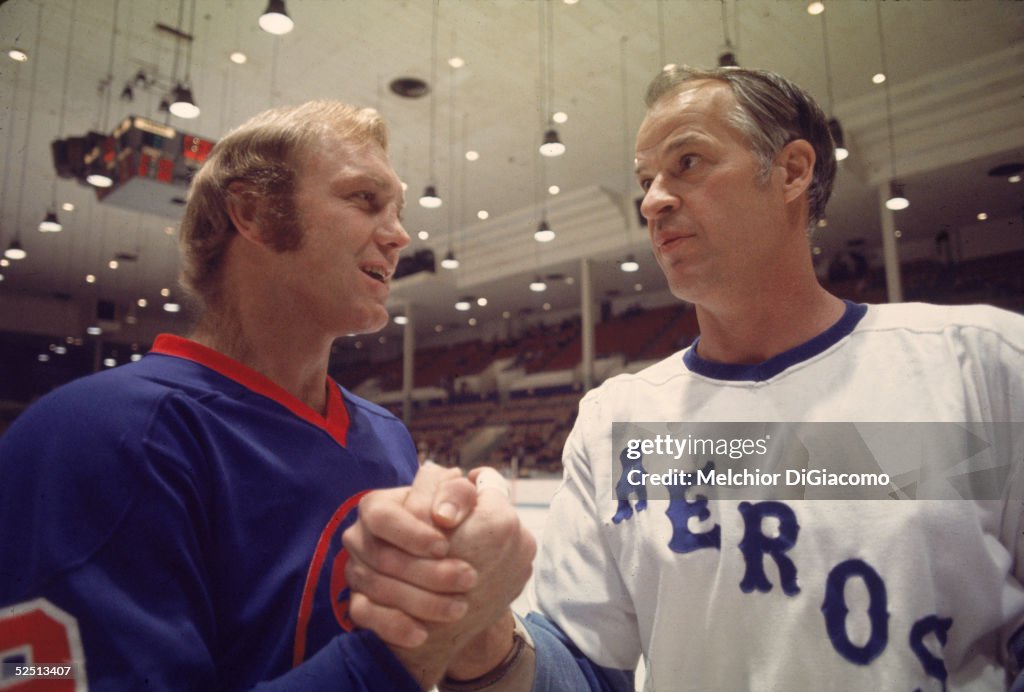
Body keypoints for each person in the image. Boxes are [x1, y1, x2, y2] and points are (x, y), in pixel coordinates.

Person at [343, 66, 1024, 690]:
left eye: (687, 163)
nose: (653, 202)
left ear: (791, 171)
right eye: (645, 182)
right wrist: (481, 629)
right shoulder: (619, 421)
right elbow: (586, 663)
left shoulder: (980, 365)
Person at [0, 100, 534, 690]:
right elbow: (42, 672)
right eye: (365, 199)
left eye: (398, 209)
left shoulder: (386, 437)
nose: (400, 235)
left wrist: (472, 621)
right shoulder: (88, 438)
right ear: (252, 213)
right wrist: (406, 655)